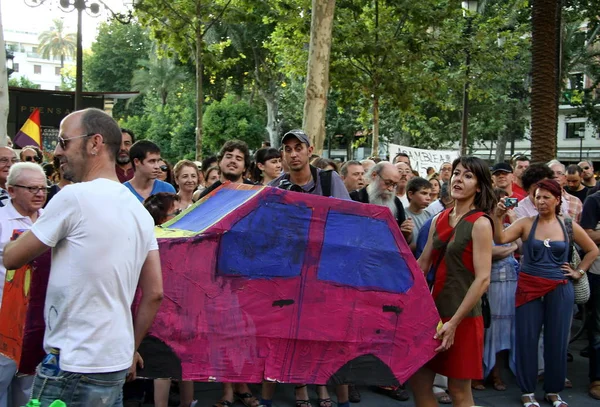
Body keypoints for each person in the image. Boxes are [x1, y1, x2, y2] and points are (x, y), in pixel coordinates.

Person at [2, 108, 164, 406]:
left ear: (94, 143)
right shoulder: (139, 212)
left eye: (64, 141)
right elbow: (154, 293)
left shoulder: (73, 197)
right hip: (114, 361)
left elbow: (12, 258)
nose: (57, 150)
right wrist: (131, 349)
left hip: (72, 364)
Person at [493, 178, 598, 407]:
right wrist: (498, 215)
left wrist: (579, 272)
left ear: (557, 199)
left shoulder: (568, 224)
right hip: (529, 287)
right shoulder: (525, 223)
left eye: (546, 197)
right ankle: (527, 391)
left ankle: (553, 391)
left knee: (558, 341)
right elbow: (500, 238)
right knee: (527, 338)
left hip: (560, 287)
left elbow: (592, 249)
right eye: (537, 197)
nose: (540, 201)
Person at [265, 129, 350, 407]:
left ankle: (322, 385)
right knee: (294, 332)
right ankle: (300, 387)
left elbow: (347, 219)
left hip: (326, 272)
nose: (293, 153)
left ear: (309, 150)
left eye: (298, 147)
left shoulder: (329, 179)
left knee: (323, 332)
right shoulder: (277, 187)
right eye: (287, 149)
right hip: (290, 273)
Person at [410, 156, 495, 407]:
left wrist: (454, 323)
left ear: (479, 186)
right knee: (419, 382)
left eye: (468, 176)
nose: (459, 179)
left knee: (458, 391)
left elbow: (483, 279)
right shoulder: (439, 218)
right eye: (457, 173)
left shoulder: (480, 223)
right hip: (433, 314)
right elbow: (423, 264)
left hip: (464, 317)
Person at [0, 162, 47, 407]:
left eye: (43, 188)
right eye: (32, 188)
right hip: (4, 320)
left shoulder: (51, 219)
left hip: (39, 322)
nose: (39, 193)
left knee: (30, 390)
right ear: (11, 190)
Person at [478, 188, 518, 392]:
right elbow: (491, 252)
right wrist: (511, 248)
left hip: (511, 281)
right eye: (500, 202)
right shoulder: (484, 222)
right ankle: (482, 372)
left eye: (507, 201)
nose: (504, 205)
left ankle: (497, 372)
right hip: (491, 282)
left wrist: (511, 217)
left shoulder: (511, 223)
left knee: (505, 329)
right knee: (488, 328)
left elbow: (521, 242)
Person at [350, 162, 413, 245]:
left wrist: (406, 233)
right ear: (374, 175)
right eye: (387, 183)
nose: (390, 189)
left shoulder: (396, 202)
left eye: (394, 185)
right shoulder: (354, 199)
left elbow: (403, 242)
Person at [582, 188, 600, 400]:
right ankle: (596, 378)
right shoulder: (594, 201)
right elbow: (586, 234)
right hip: (597, 272)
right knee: (597, 327)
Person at [404, 177, 432, 252]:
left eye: (430, 194)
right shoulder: (402, 215)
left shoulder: (430, 216)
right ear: (410, 194)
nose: (428, 198)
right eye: (424, 193)